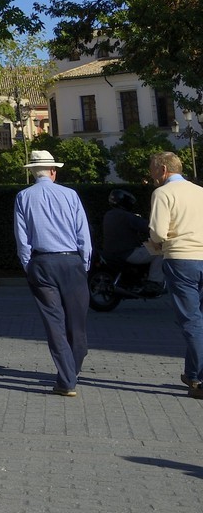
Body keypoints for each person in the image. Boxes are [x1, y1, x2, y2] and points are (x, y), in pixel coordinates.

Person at [13, 149, 93, 396]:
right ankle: (72, 370)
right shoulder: (71, 195)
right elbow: (83, 234)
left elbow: (22, 237)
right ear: (53, 172)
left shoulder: (23, 196)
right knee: (77, 323)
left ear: (33, 173)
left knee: (54, 323)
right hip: (72, 262)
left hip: (42, 262)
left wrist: (28, 265)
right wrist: (85, 263)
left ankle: (67, 378)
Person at [144, 150, 203, 399]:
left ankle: (200, 378)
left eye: (152, 169)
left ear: (163, 170)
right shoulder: (200, 191)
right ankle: (191, 373)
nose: (151, 174)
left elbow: (157, 231)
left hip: (181, 259)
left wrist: (157, 243)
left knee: (191, 320)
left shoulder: (163, 193)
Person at [103, 188, 162, 291]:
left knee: (148, 247)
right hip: (127, 253)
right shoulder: (127, 216)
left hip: (110, 252)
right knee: (161, 251)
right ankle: (154, 282)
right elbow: (147, 227)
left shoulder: (108, 215)